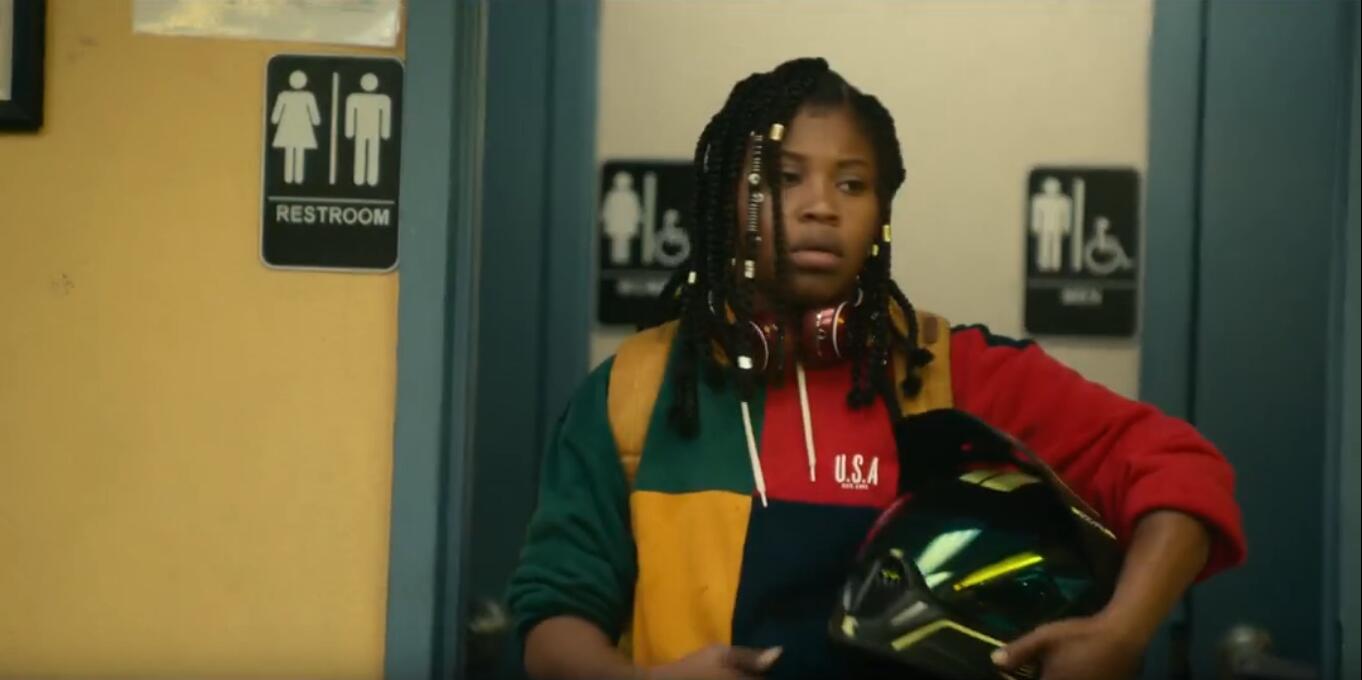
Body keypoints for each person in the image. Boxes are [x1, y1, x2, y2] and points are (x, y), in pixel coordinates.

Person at [507, 58, 1245, 680]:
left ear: (881, 212)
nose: (821, 207)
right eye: (785, 178)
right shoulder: (633, 392)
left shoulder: (952, 373)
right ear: (729, 198)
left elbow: (1181, 469)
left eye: (852, 184)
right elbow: (552, 623)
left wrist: (1122, 630)